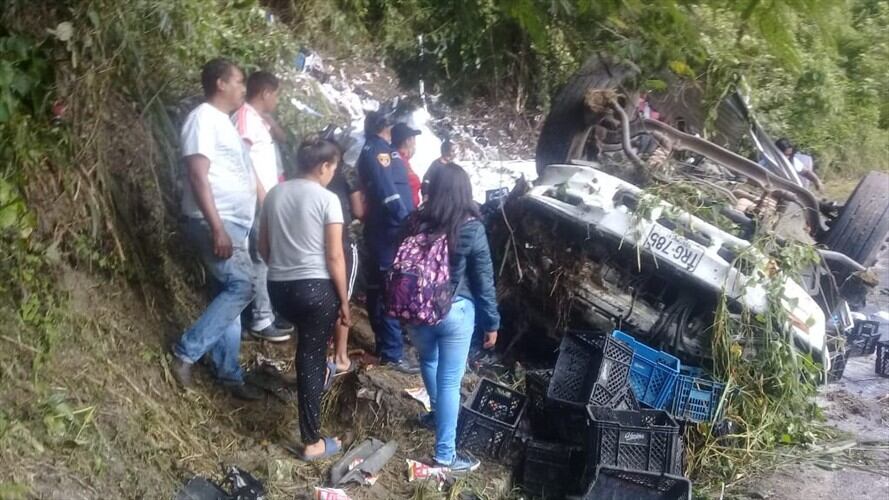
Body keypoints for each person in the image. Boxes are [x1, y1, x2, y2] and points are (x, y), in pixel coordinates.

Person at [171, 58, 265, 400]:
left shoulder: (224, 123)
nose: (243, 88)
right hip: (214, 220)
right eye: (239, 81)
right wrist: (217, 227)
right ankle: (186, 352)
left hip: (233, 223)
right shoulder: (203, 119)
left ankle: (228, 372)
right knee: (243, 286)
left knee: (226, 293)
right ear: (220, 83)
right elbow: (198, 175)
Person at [259, 138, 350, 461]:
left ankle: (313, 381)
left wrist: (283, 270)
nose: (332, 174)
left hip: (278, 289)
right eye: (333, 168)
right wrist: (344, 300)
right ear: (323, 166)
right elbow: (335, 256)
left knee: (307, 346)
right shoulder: (328, 199)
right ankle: (312, 441)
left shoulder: (274, 193)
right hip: (315, 290)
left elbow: (263, 247)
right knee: (310, 356)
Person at [407, 162, 500, 473]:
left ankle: (437, 415)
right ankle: (445, 456)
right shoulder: (471, 227)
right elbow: (484, 280)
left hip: (417, 310)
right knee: (449, 381)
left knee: (428, 361)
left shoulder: (416, 221)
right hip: (454, 312)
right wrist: (491, 322)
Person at [356, 110, 419, 373]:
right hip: (388, 231)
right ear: (385, 126)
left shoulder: (383, 149)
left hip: (389, 230)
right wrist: (406, 221)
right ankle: (392, 353)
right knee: (387, 289)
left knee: (379, 289)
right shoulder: (376, 151)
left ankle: (386, 347)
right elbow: (387, 192)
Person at [233, 70, 292, 342]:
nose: (277, 100)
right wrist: (261, 195)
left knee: (264, 256)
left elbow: (281, 139)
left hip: (266, 199)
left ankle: (263, 313)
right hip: (256, 200)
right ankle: (260, 318)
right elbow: (242, 160)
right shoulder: (244, 118)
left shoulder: (257, 119)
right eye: (275, 95)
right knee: (259, 256)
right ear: (265, 93)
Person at [326, 159, 364, 373]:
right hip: (342, 242)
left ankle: (326, 350)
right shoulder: (346, 172)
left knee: (325, 294)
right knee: (342, 299)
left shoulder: (305, 181)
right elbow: (358, 211)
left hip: (317, 242)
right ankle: (340, 357)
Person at [391, 122, 422, 207]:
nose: (415, 142)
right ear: (407, 141)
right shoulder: (398, 161)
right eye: (413, 138)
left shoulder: (402, 159)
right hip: (404, 210)